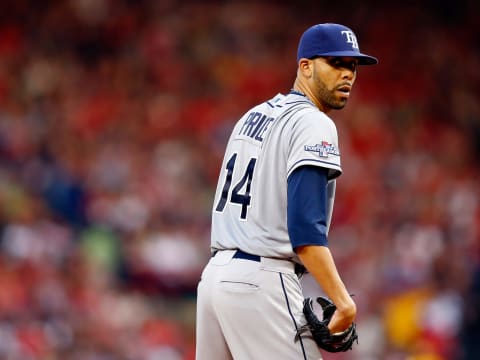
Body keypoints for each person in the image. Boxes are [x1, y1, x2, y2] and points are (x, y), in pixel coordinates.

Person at [195, 23, 378, 360]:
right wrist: (343, 302)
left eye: (352, 66)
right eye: (336, 63)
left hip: (213, 282)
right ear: (305, 66)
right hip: (261, 281)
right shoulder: (314, 123)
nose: (347, 74)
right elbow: (305, 231)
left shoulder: (253, 116)